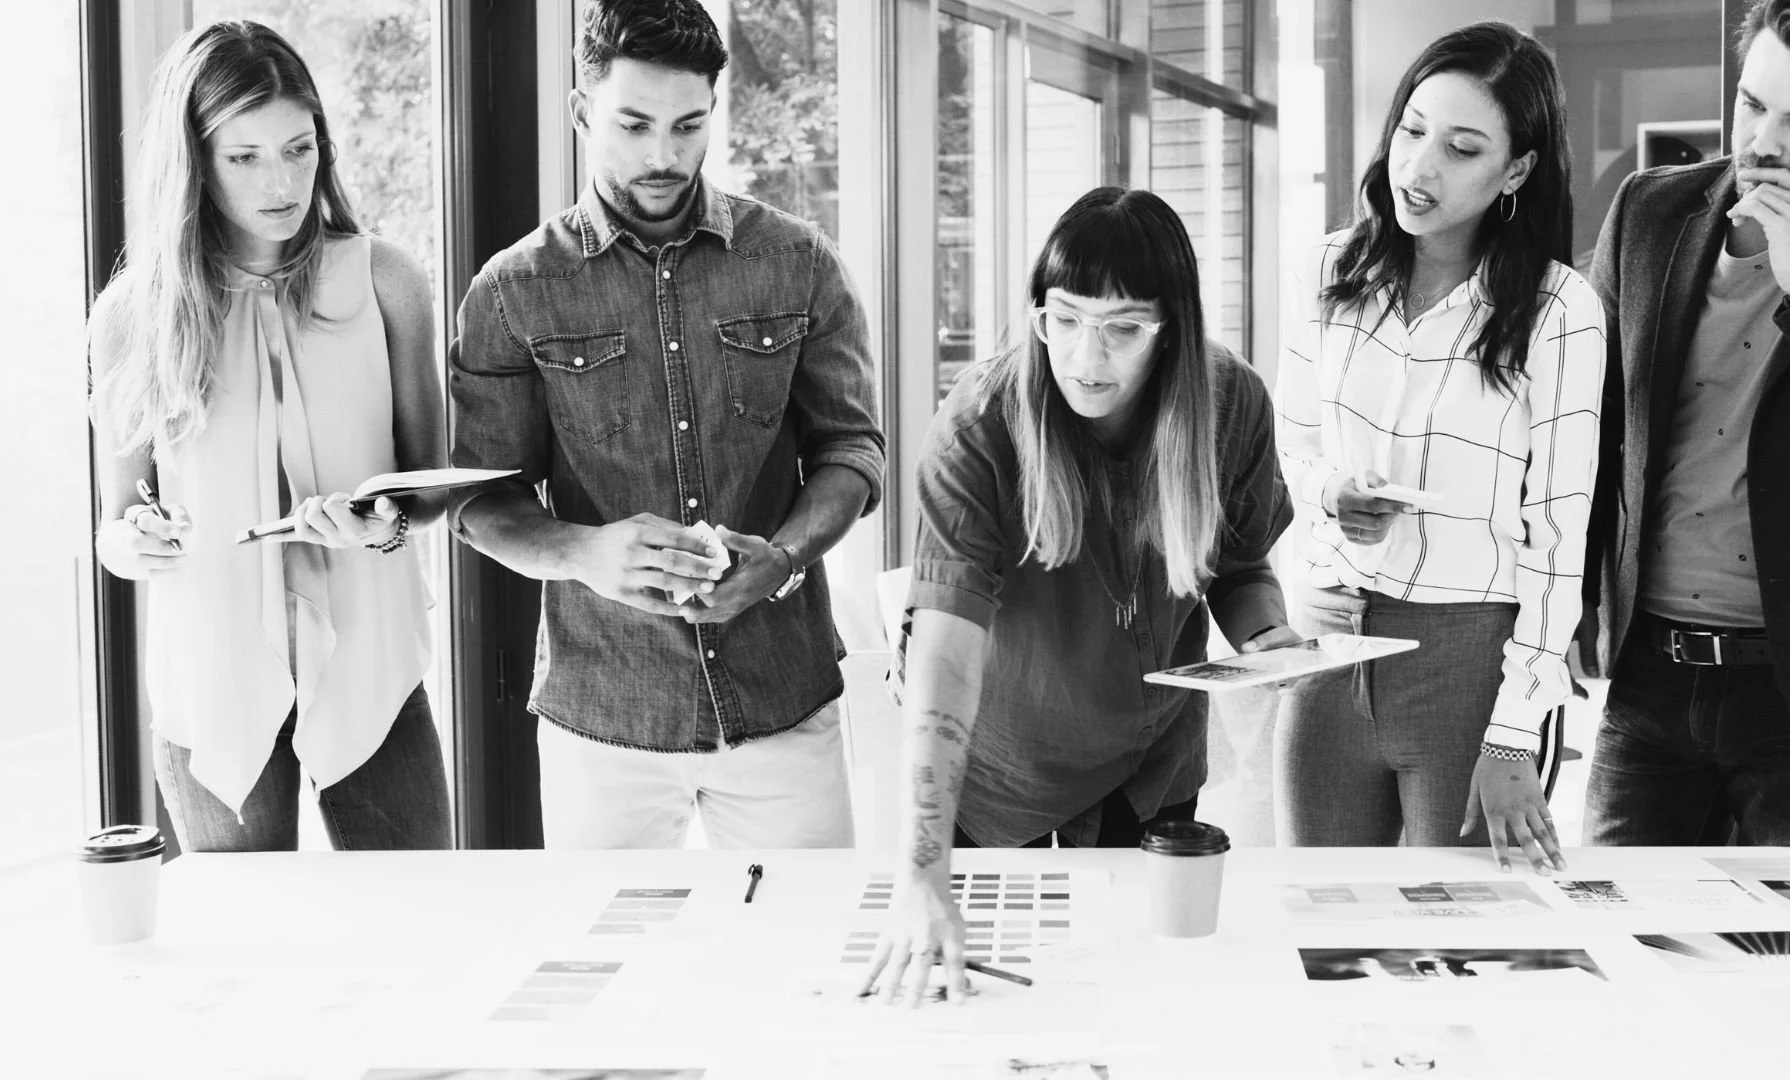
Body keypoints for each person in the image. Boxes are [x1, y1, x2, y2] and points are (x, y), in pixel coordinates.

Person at [446, 0, 883, 848]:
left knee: (798, 964)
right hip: (601, 715)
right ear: (582, 113)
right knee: (606, 970)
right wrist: (585, 552)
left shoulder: (799, 262)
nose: (663, 155)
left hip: (783, 702)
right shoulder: (510, 292)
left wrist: (785, 557)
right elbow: (479, 499)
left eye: (689, 126)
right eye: (634, 124)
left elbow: (852, 450)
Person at [861, 187, 1297, 1005]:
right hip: (1001, 772)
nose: (1086, 360)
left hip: (1152, 761)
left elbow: (1239, 566)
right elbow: (946, 652)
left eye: (1123, 329)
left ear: (1172, 330)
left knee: (1145, 989)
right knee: (1000, 997)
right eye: (1064, 320)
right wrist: (920, 873)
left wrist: (1267, 636)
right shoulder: (979, 425)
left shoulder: (1230, 401)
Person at [88, 21, 448, 851]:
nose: (282, 181)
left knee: (422, 928)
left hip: (372, 667)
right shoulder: (132, 316)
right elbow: (115, 524)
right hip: (211, 686)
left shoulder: (388, 281)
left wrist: (382, 523)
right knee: (247, 946)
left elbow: (427, 487)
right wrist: (136, 540)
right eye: (244, 157)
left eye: (299, 146)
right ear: (194, 163)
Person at [1582, 0, 1790, 846]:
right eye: (1751, 102)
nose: (1762, 140)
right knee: (1626, 955)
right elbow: (1580, 417)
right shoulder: (1648, 212)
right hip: (1646, 678)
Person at [1275, 21, 1603, 872]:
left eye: (1462, 148)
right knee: (1322, 923)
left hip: (1466, 657)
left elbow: (1559, 538)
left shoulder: (1559, 310)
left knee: (1463, 944)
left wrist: (1511, 737)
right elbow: (1292, 444)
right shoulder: (1329, 272)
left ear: (1517, 171)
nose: (1419, 167)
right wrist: (1330, 493)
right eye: (1412, 130)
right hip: (1327, 641)